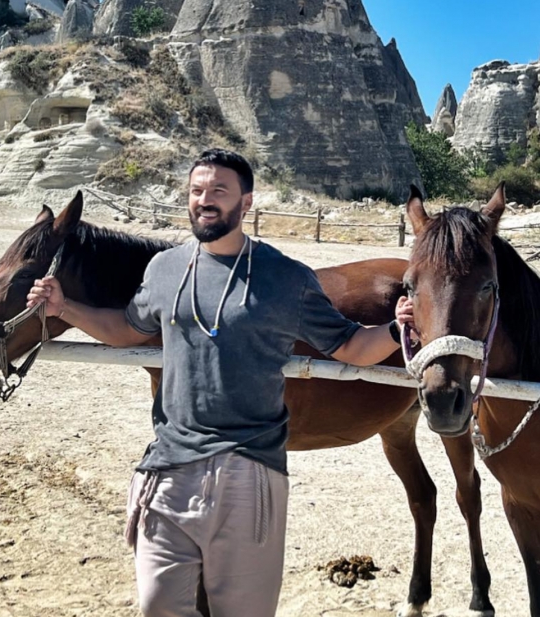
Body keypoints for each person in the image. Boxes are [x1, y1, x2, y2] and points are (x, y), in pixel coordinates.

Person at [28, 149, 412, 617]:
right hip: (168, 469)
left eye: (219, 191)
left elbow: (351, 346)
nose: (204, 200)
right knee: (158, 606)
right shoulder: (165, 269)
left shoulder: (286, 277)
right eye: (197, 190)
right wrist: (65, 308)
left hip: (249, 473)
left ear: (246, 202)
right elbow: (126, 330)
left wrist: (396, 329)